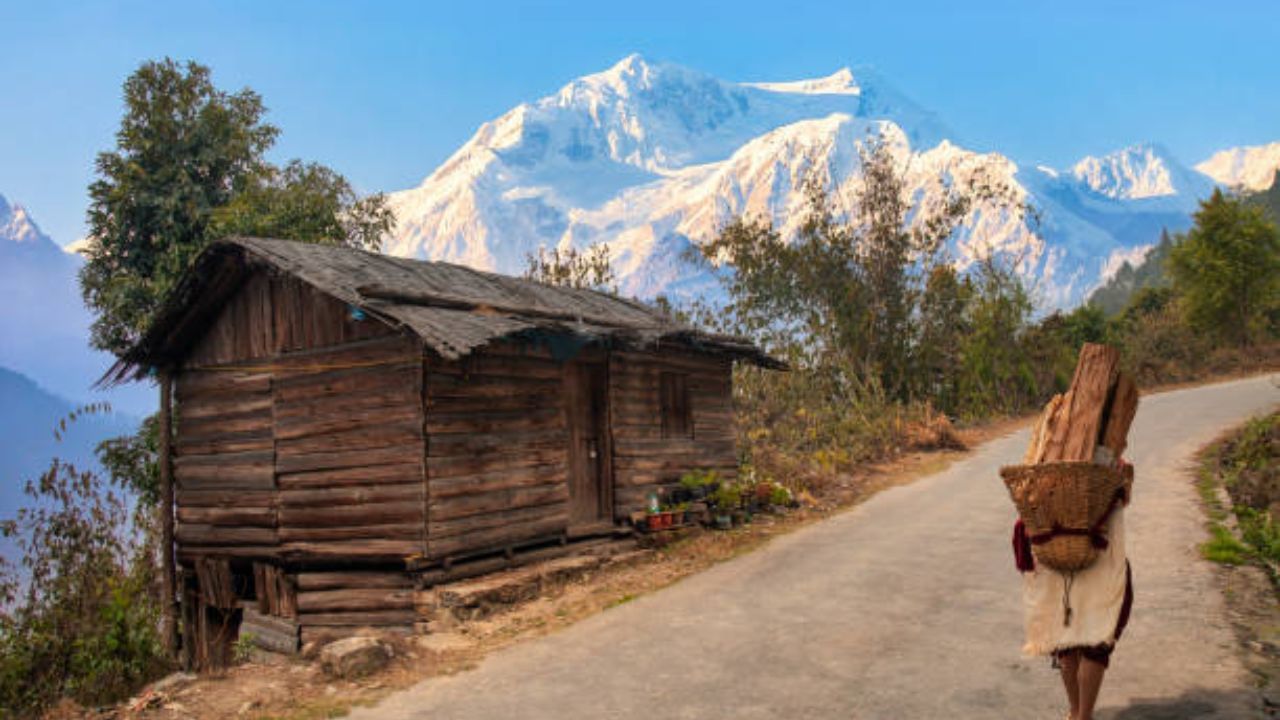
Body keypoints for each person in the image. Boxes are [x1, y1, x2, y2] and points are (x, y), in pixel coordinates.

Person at [1013, 458, 1133, 720]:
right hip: (1100, 561)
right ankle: (1084, 716)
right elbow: (1123, 500)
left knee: (1067, 640)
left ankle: (1075, 711)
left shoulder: (1043, 459)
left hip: (1055, 562)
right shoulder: (1113, 465)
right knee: (1096, 640)